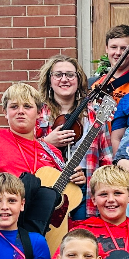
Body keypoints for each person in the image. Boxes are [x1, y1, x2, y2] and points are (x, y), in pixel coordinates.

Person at [0, 82, 83, 198]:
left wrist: (75, 179)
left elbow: (62, 194)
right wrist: (6, 189)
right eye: (14, 106)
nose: (20, 111)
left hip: (44, 218)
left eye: (27, 106)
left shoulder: (52, 151)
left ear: (39, 113)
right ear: (5, 112)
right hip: (4, 214)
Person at [36, 55, 114, 220]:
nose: (64, 79)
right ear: (49, 80)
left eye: (70, 75)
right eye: (58, 75)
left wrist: (92, 182)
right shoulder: (38, 114)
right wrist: (46, 142)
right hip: (50, 189)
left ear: (78, 80)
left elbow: (106, 159)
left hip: (86, 187)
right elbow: (25, 151)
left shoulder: (94, 114)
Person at [90, 25, 129, 103]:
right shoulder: (91, 84)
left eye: (124, 48)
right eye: (114, 47)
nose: (118, 53)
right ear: (106, 48)